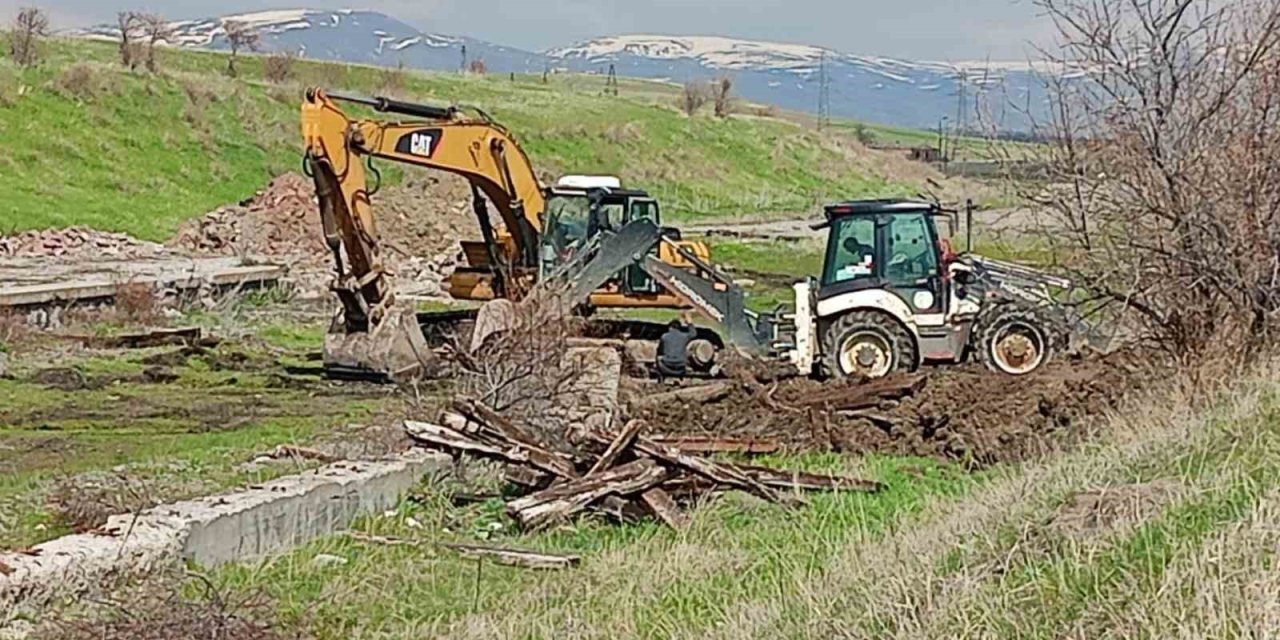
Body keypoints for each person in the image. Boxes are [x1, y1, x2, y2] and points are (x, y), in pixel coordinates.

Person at [656, 314, 696, 380]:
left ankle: (661, 379)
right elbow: (693, 333)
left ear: (670, 327)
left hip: (666, 367)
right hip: (680, 368)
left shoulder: (664, 336)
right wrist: (690, 323)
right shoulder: (684, 336)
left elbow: (660, 350)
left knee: (658, 358)